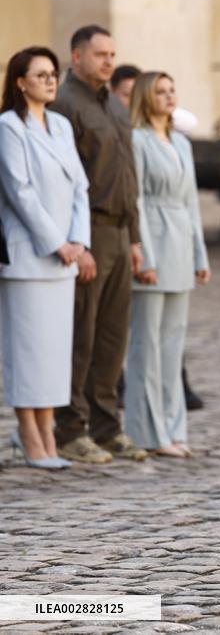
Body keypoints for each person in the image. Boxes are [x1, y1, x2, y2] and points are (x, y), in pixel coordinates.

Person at [50, 24, 148, 464]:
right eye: (100, 54)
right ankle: (71, 430)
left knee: (111, 338)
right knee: (80, 336)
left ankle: (107, 428)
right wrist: (77, 241)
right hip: (87, 231)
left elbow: (128, 177)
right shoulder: (64, 104)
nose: (109, 61)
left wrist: (135, 238)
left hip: (120, 233)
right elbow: (62, 182)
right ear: (77, 57)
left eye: (112, 54)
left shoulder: (114, 105)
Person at [0, 47, 90, 470]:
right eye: (41, 75)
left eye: (53, 73)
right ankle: (28, 433)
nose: (51, 80)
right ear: (20, 82)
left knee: (54, 352)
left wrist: (78, 241)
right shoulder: (8, 126)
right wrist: (57, 242)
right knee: (28, 351)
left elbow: (80, 188)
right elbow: (20, 192)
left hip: (64, 258)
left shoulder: (60, 125)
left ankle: (48, 432)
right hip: (28, 256)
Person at [124, 71, 210, 458]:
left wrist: (199, 255)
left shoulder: (180, 142)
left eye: (172, 90)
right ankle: (147, 432)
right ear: (146, 96)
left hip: (179, 243)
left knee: (173, 347)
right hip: (153, 246)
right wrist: (145, 255)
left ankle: (174, 429)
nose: (168, 96)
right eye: (160, 91)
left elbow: (190, 202)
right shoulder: (137, 140)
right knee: (147, 346)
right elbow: (136, 200)